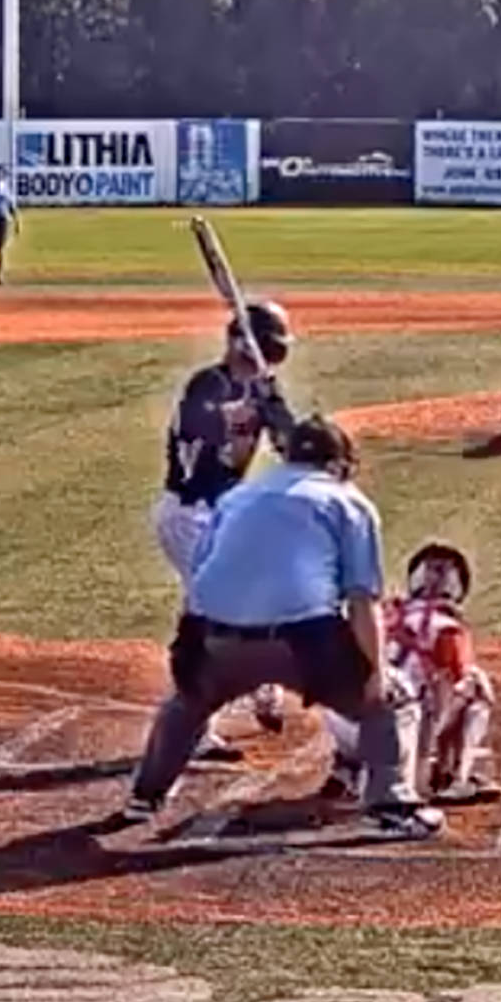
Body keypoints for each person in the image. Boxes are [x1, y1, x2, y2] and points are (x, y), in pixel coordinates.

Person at [121, 415, 445, 842]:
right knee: (393, 700)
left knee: (187, 703)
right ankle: (392, 806)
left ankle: (145, 795)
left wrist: (192, 656)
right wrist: (375, 676)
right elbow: (362, 601)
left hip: (213, 636)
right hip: (302, 642)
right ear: (340, 463)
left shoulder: (237, 497)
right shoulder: (348, 502)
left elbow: (199, 577)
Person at [154, 298, 297, 759]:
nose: (272, 359)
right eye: (268, 350)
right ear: (241, 344)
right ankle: (217, 712)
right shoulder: (207, 386)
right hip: (188, 515)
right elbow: (216, 450)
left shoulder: (256, 389)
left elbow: (293, 450)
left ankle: (247, 691)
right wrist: (249, 409)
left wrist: (280, 417)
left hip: (221, 515)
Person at [321, 541, 501, 806]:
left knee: (365, 679)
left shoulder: (381, 613)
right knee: (475, 686)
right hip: (399, 734)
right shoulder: (448, 628)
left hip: (346, 727)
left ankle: (346, 767)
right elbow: (451, 682)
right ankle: (454, 778)